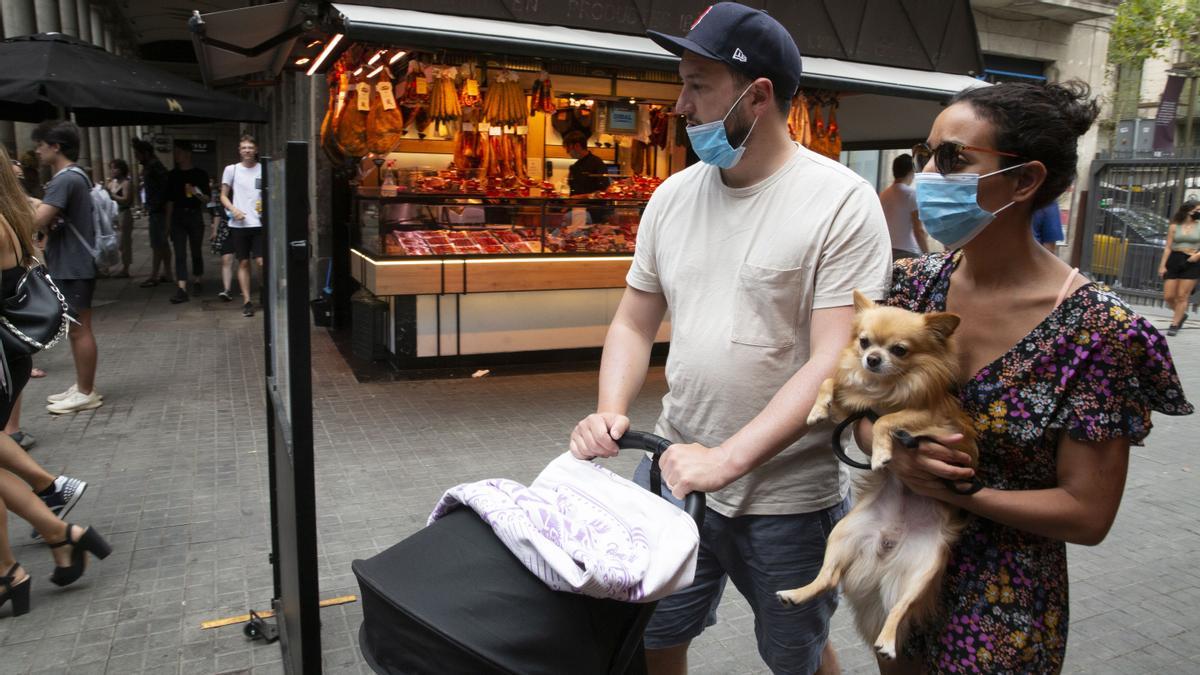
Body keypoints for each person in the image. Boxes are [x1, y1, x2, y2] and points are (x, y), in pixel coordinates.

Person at [569, 4, 891, 674]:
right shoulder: (672, 197)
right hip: (672, 470)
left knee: (794, 650)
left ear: (759, 94)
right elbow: (634, 318)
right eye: (681, 83)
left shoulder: (839, 202)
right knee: (654, 633)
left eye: (698, 85)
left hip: (788, 496)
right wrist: (610, 407)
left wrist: (728, 460)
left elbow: (834, 356)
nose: (681, 104)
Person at [867, 81, 1192, 673]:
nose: (930, 174)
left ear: (1024, 180)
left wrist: (963, 491)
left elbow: (1088, 513)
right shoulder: (913, 288)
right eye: (927, 153)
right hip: (898, 573)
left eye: (954, 158)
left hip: (1004, 604)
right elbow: (856, 415)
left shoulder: (1099, 330)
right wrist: (888, 448)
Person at [30, 121, 103, 414]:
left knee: (79, 329)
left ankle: (86, 391)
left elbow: (37, 220)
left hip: (73, 264)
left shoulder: (65, 179)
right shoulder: (76, 176)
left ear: (55, 146)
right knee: (77, 327)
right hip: (75, 262)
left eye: (40, 145)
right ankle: (82, 386)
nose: (37, 151)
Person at [220, 135, 264, 317]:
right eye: (243, 148)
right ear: (239, 151)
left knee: (262, 262)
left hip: (259, 222)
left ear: (256, 150)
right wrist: (233, 209)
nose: (247, 150)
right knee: (244, 262)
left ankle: (263, 288)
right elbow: (223, 196)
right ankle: (247, 300)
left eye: (250, 147)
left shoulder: (264, 169)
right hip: (239, 224)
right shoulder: (232, 170)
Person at [165, 141, 209, 303]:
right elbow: (169, 201)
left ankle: (197, 279)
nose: (176, 156)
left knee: (196, 250)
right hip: (178, 217)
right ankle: (181, 287)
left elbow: (207, 198)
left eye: (178, 152)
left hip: (195, 215)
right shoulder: (173, 175)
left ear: (187, 153)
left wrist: (195, 191)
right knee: (180, 253)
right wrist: (168, 224)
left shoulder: (200, 174)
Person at [131, 137, 171, 288]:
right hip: (157, 209)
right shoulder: (154, 166)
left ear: (145, 153)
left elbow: (162, 191)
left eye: (138, 154)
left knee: (158, 244)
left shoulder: (154, 167)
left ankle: (155, 275)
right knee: (162, 244)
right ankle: (167, 273)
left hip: (158, 210)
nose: (136, 157)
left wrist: (155, 206)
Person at [1158, 200, 1200, 336]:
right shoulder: (1174, 227)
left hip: (1192, 260)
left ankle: (1174, 324)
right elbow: (1168, 247)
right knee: (1169, 296)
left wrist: (1198, 255)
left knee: (1182, 296)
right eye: (1197, 210)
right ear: (1188, 211)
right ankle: (1181, 315)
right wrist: (1162, 265)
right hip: (1174, 259)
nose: (1199, 212)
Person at [879, 153, 928, 260]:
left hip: (887, 251)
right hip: (908, 252)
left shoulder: (883, 195)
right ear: (911, 172)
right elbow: (918, 230)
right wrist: (927, 255)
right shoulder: (911, 194)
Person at [207, 177, 237, 302]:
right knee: (226, 259)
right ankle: (227, 289)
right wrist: (214, 231)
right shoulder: (221, 199)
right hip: (226, 231)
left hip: (242, 228)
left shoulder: (241, 195)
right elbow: (217, 214)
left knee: (244, 261)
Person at [106, 158, 134, 278]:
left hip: (123, 213)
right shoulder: (111, 183)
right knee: (110, 240)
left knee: (124, 242)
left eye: (115, 168)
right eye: (111, 168)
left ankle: (125, 268)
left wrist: (111, 195)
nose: (112, 170)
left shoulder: (127, 183)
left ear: (121, 169)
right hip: (112, 214)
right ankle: (106, 267)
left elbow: (126, 199)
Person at [564, 130, 611, 196]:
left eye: (568, 148)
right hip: (575, 206)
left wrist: (580, 198)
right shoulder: (574, 167)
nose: (567, 152)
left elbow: (604, 190)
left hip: (594, 205)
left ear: (577, 146)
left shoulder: (597, 163)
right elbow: (571, 190)